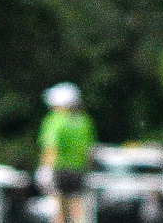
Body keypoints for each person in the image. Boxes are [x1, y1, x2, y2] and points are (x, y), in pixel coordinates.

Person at [37, 84, 96, 223]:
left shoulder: (55, 119)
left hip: (59, 170)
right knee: (77, 211)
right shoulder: (84, 121)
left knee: (58, 212)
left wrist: (45, 169)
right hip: (79, 171)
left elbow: (50, 147)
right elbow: (89, 150)